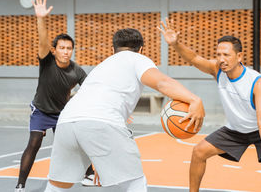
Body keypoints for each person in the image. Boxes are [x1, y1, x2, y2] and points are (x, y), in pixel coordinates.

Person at [43, 28, 205, 192]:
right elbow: (161, 83)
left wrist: (99, 157)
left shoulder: (102, 66)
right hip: (101, 121)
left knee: (58, 184)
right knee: (135, 183)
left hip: (66, 121)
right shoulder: (138, 59)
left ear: (112, 50)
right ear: (141, 50)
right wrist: (194, 99)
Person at [158, 19, 261, 192]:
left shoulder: (256, 81)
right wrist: (176, 44)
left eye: (226, 55)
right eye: (218, 54)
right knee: (198, 152)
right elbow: (195, 58)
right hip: (236, 129)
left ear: (239, 56)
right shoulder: (218, 69)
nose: (221, 59)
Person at [15, 0, 92, 192]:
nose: (66, 51)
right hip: (41, 110)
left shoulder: (77, 71)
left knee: (76, 140)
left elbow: (92, 90)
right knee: (34, 143)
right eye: (62, 48)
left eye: (69, 48)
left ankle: (89, 173)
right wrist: (41, 18)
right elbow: (42, 41)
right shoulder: (47, 61)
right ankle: (20, 185)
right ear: (54, 50)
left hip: (62, 113)